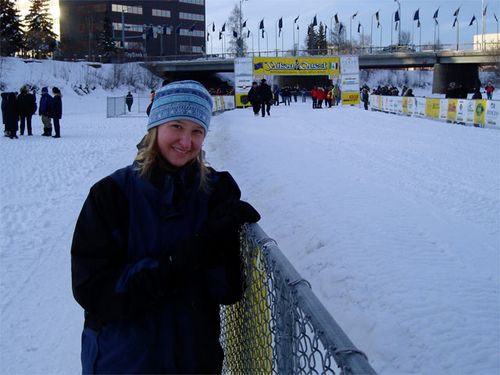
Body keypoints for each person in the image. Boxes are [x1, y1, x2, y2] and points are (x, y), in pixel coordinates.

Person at [71, 80, 260, 374]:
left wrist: (222, 241)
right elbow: (93, 291)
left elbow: (226, 292)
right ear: (155, 126)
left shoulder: (214, 192)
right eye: (176, 126)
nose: (186, 142)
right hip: (124, 361)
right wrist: (173, 264)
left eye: (197, 131)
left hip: (194, 359)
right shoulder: (110, 195)